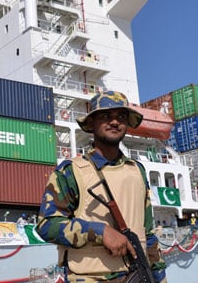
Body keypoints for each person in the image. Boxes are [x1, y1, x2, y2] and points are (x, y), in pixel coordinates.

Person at [36, 90, 167, 283]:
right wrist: (99, 231)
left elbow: (147, 233)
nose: (114, 122)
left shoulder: (137, 171)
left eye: (121, 117)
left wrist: (160, 277)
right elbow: (46, 225)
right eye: (106, 116)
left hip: (139, 276)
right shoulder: (71, 171)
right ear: (92, 123)